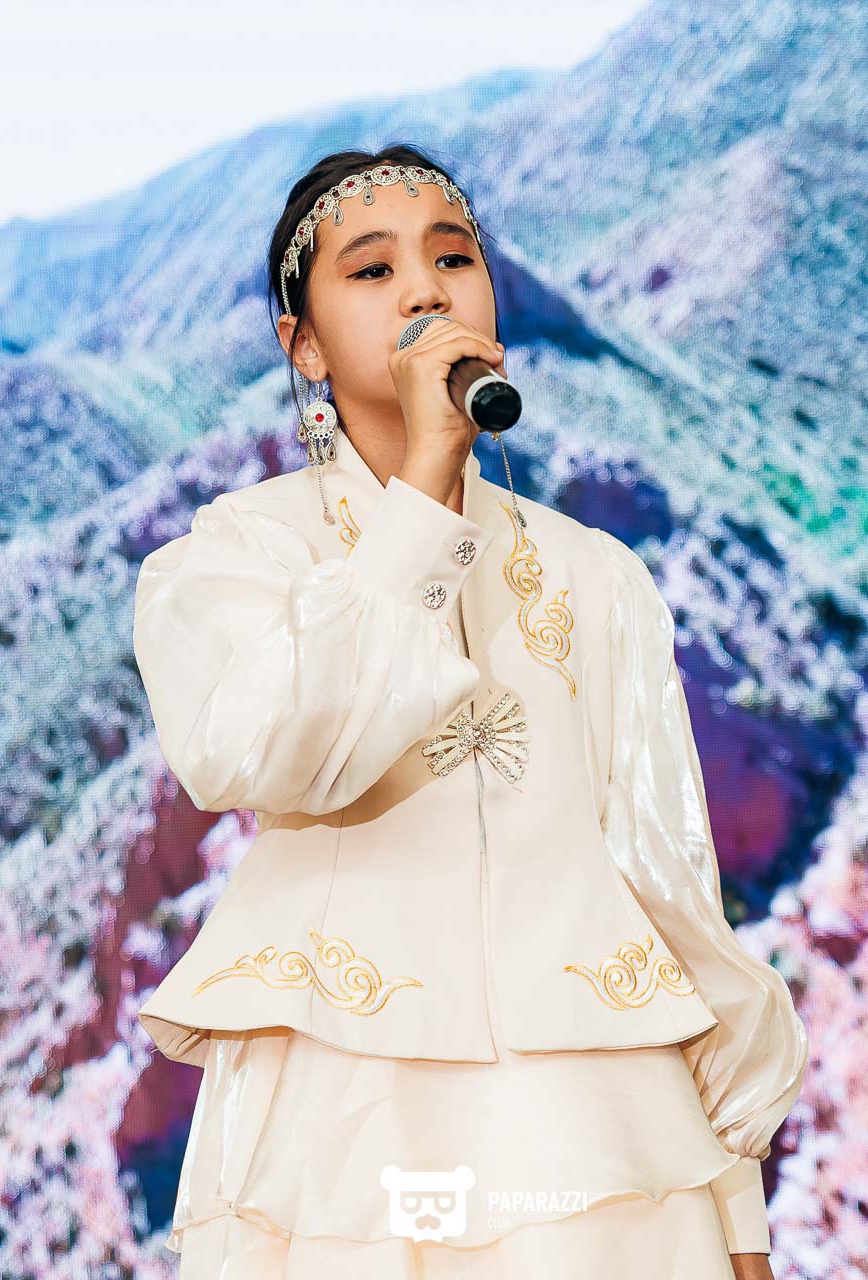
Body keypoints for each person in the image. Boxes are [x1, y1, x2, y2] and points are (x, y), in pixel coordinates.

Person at [131, 142, 810, 1279]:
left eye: (453, 258)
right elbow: (275, 750)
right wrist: (424, 491)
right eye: (371, 269)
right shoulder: (234, 555)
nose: (425, 292)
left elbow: (669, 893)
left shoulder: (599, 577)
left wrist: (737, 1220)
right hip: (345, 1128)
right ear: (303, 345)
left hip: (605, 1130)